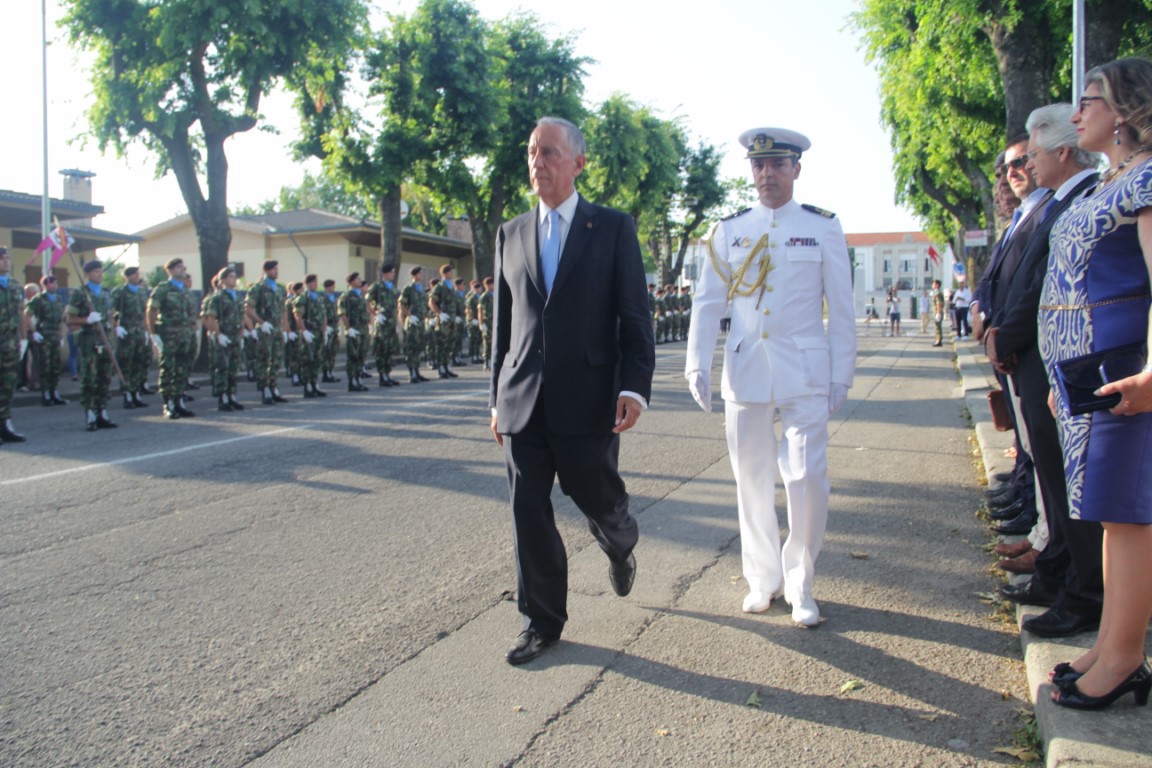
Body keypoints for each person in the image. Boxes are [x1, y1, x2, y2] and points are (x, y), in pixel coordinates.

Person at [489, 116, 655, 665]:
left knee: (599, 500)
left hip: (588, 401)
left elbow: (635, 317)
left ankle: (619, 540)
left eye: (552, 152)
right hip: (522, 402)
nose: (540, 161)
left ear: (579, 163)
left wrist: (634, 387)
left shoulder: (610, 228)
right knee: (527, 510)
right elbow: (502, 325)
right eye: (534, 151)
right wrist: (496, 398)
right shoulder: (510, 233)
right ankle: (542, 620)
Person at [685, 126, 856, 627]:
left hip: (805, 371)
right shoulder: (730, 229)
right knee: (751, 481)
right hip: (745, 369)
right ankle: (763, 579)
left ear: (796, 170)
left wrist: (841, 372)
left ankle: (801, 582)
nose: (767, 174)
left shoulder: (822, 226)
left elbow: (842, 309)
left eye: (778, 164)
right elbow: (707, 302)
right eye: (759, 166)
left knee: (806, 479)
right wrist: (698, 362)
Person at [1039, 58, 1152, 710]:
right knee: (1111, 516)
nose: (1077, 112)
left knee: (1131, 518)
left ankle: (1124, 658)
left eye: (1090, 100)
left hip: (1123, 372)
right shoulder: (1107, 182)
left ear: (1126, 110)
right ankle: (1110, 645)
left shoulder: (1147, 182)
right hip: (1086, 376)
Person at [986, 102, 1104, 638]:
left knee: (1066, 481)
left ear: (1061, 151)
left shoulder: (1082, 198)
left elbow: (1042, 287)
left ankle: (1082, 591)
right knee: (1054, 478)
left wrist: (1008, 334)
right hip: (1034, 355)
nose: (1026, 166)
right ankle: (1060, 572)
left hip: (1057, 354)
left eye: (1033, 154)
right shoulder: (1059, 202)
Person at [66, 260, 118, 431]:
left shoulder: (105, 293)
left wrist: (114, 330)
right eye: (96, 271)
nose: (100, 274)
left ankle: (101, 411)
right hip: (89, 340)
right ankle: (90, 413)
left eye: (100, 271)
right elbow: (70, 319)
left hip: (105, 340)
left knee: (105, 377)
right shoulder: (80, 293)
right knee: (90, 378)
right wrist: (86, 320)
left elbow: (110, 315)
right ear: (87, 274)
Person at [147, 258, 199, 419]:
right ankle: (168, 403)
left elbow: (192, 315)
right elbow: (151, 311)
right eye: (178, 267)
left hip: (186, 337)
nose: (182, 269)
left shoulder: (187, 291)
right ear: (169, 270)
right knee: (169, 370)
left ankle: (179, 401)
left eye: (183, 267)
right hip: (169, 336)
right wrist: (153, 334)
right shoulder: (162, 289)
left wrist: (194, 331)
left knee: (183, 370)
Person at [201, 266, 247, 411]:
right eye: (231, 277)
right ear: (223, 280)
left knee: (233, 368)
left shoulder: (236, 297)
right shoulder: (217, 297)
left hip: (234, 336)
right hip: (224, 336)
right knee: (222, 368)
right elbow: (210, 317)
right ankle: (223, 397)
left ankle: (232, 395)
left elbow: (241, 317)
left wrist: (242, 334)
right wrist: (218, 334)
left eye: (235, 276)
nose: (235, 279)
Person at [246, 260, 290, 405]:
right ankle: (265, 389)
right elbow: (248, 309)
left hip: (277, 329)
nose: (276, 272)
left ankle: (274, 387)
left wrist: (285, 329)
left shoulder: (280, 289)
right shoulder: (258, 288)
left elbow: (284, 310)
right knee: (264, 360)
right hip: (265, 329)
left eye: (277, 269)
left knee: (277, 360)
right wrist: (261, 322)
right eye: (273, 269)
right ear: (266, 271)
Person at [110, 266, 151, 409]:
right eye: (134, 274)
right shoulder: (120, 292)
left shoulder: (142, 292)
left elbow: (146, 312)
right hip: (126, 331)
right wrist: (116, 326)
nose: (137, 276)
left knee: (138, 363)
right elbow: (111, 310)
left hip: (139, 331)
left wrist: (147, 330)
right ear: (127, 277)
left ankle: (136, 393)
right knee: (126, 364)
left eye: (137, 274)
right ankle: (127, 394)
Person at [0, 246, 29, 442]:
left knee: (8, 385)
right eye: (2, 259)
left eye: (7, 258)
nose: (6, 262)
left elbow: (21, 314)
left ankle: (5, 424)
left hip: (10, 343)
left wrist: (23, 338)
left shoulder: (15, 285)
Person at [25, 274, 68, 406]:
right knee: (45, 365)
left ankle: (54, 391)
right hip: (44, 335)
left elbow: (62, 318)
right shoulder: (39, 299)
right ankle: (45, 393)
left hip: (55, 335)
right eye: (51, 283)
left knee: (56, 365)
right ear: (45, 285)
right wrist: (34, 332)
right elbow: (27, 314)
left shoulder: (59, 299)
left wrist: (61, 335)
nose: (54, 285)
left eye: (56, 283)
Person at [292, 274, 328, 399]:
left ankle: (314, 384)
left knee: (317, 359)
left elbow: (323, 315)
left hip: (318, 332)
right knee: (307, 359)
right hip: (309, 332)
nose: (315, 284)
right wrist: (304, 331)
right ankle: (307, 385)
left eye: (316, 281)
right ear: (307, 284)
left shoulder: (318, 298)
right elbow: (298, 316)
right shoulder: (302, 298)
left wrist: (325, 329)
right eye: (312, 282)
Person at [367, 265, 401, 387]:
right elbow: (367, 302)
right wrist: (375, 314)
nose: (393, 274)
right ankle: (382, 376)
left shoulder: (392, 288)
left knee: (389, 350)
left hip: (391, 322)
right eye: (391, 272)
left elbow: (397, 305)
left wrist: (396, 322)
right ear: (385, 273)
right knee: (381, 350)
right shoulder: (377, 286)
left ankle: (387, 374)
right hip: (381, 322)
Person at [338, 272, 370, 392]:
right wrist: (348, 328)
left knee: (361, 356)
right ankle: (352, 381)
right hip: (354, 330)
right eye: (357, 279)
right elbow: (342, 313)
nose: (359, 280)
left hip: (363, 329)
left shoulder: (361, 295)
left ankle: (358, 379)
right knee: (353, 357)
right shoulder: (346, 296)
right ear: (351, 282)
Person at [399, 266, 430, 383]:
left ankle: (417, 371)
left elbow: (423, 305)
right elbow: (401, 304)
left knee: (418, 348)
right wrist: (408, 316)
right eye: (420, 274)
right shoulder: (409, 288)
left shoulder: (421, 289)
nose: (421, 275)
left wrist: (427, 317)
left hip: (420, 322)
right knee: (411, 348)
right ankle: (412, 373)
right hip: (412, 322)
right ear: (414, 275)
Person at [321, 279, 341, 383]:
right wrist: (324, 326)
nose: (333, 288)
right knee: (327, 351)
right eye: (332, 286)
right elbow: (322, 313)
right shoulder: (323, 298)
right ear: (328, 287)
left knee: (333, 350)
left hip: (334, 326)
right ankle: (326, 373)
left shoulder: (334, 298)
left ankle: (331, 371)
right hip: (327, 326)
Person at [477, 275, 494, 371]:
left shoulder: (493, 294)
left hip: (493, 321)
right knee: (487, 342)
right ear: (488, 285)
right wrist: (481, 323)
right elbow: (480, 310)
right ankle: (486, 362)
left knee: (492, 342)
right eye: (492, 284)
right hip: (487, 321)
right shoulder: (484, 296)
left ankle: (491, 361)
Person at [930, 280, 945, 346]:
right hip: (936, 311)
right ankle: (937, 340)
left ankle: (938, 340)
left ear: (937, 285)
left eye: (933, 284)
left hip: (937, 311)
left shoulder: (937, 293)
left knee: (937, 327)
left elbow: (939, 303)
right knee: (937, 326)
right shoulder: (935, 292)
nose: (932, 285)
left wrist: (938, 313)